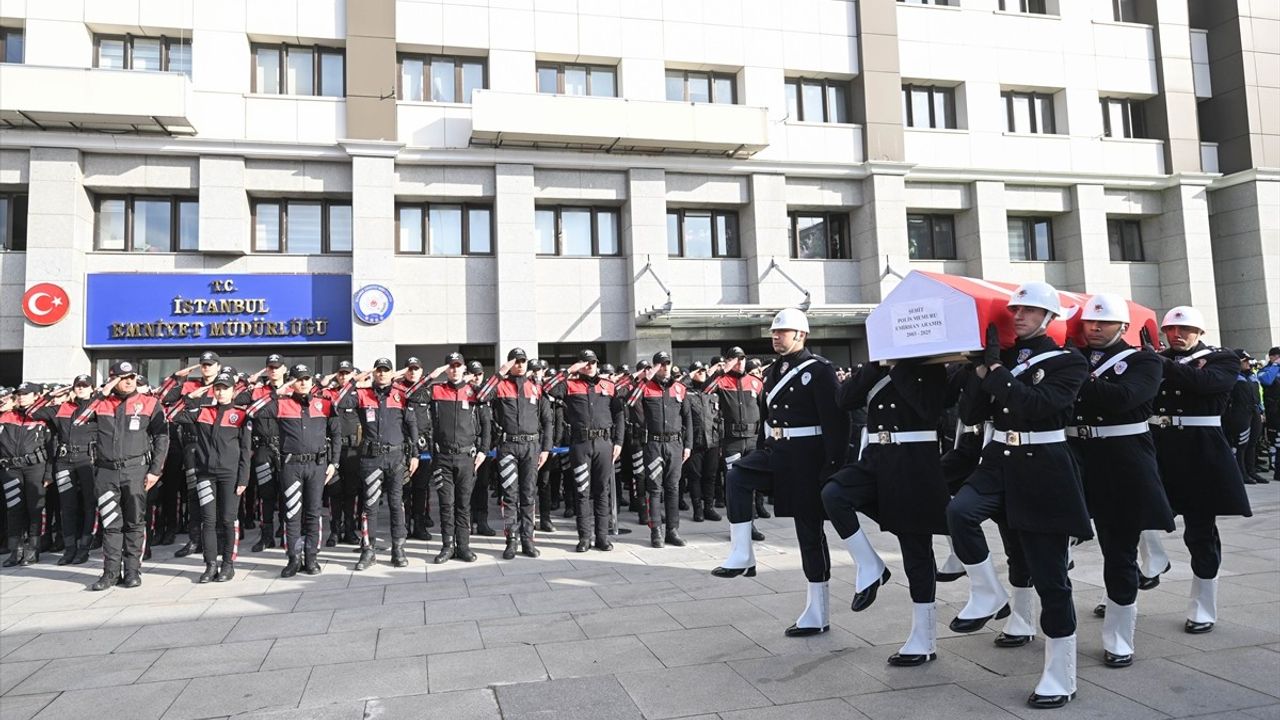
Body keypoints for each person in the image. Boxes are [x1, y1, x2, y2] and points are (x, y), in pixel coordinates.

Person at [945, 281, 1090, 709]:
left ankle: (1060, 674)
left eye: (1028, 310)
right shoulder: (1000, 359)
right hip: (999, 458)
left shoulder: (1069, 362)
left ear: (1049, 318)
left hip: (1044, 464)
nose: (1018, 316)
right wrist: (977, 371)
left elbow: (1035, 406)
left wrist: (996, 372)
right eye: (1015, 310)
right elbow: (970, 415)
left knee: (1050, 577)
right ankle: (987, 592)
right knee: (959, 512)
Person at [712, 308, 849, 640]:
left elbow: (836, 421)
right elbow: (769, 419)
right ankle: (742, 553)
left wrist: (833, 466)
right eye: (774, 332)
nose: (775, 337)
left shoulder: (818, 370)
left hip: (809, 459)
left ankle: (818, 611)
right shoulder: (773, 372)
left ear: (801, 335)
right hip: (779, 453)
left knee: (809, 534)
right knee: (737, 476)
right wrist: (763, 450)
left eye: (782, 332)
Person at [1068, 293, 1175, 668]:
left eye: (1104, 323)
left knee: (1118, 551)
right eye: (1089, 323)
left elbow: (1124, 398)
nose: (1094, 328)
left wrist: (1073, 375)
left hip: (1122, 461)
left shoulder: (1144, 360)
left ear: (1123, 328)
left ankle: (1118, 636)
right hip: (1074, 457)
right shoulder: (1071, 357)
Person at [822, 357, 950, 666]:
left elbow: (930, 411)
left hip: (913, 462)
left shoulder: (930, 368)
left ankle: (924, 637)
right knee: (834, 493)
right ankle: (870, 567)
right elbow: (844, 399)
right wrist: (875, 367)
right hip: (876, 459)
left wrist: (900, 368)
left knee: (916, 550)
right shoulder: (875, 368)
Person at [1150, 306, 1252, 634]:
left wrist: (1160, 362)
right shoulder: (1157, 357)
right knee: (1136, 516)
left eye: (1186, 330)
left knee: (1200, 531)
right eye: (1171, 330)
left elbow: (1206, 383)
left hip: (1200, 449)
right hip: (1159, 445)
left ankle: (1203, 606)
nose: (1177, 335)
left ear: (1200, 333)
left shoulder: (1223, 358)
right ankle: (1146, 566)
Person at [84, 362, 169, 590]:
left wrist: (155, 471)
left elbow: (162, 437)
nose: (129, 381)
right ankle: (110, 574)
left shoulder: (150, 403)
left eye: (132, 376)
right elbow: (77, 421)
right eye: (123, 377)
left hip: (135, 471)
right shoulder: (100, 403)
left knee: (134, 523)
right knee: (111, 524)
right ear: (112, 380)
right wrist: (100, 393)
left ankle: (132, 572)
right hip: (106, 472)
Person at [250, 365, 339, 576]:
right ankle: (293, 559)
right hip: (291, 466)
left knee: (314, 513)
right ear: (292, 382)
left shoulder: (324, 404)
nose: (304, 382)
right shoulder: (281, 404)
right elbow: (251, 412)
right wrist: (275, 393)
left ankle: (311, 559)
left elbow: (336, 434)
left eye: (307, 378)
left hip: (317, 466)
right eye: (299, 379)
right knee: (292, 514)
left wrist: (333, 462)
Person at [338, 358, 419, 569]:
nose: (382, 374)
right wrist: (355, 380)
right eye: (378, 370)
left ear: (392, 373)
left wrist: (415, 455)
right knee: (370, 505)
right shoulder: (363, 394)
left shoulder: (401, 394)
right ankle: (368, 551)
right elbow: (339, 402)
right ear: (374, 373)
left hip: (396, 458)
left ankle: (398, 549)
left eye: (386, 370)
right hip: (371, 460)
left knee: (396, 504)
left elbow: (412, 425)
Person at [171, 372, 251, 583]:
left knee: (227, 520)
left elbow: (246, 450)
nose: (221, 391)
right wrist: (195, 395)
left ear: (233, 390)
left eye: (225, 388)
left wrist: (243, 479)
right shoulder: (202, 412)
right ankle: (210, 565)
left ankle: (228, 564)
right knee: (208, 520)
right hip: (206, 474)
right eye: (217, 388)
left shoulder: (241, 415)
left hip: (230, 475)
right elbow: (173, 413)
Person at [477, 348, 553, 559]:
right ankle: (511, 540)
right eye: (515, 361)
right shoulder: (500, 385)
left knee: (528, 495)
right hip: (508, 447)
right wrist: (500, 373)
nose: (519, 365)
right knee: (510, 497)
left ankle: (528, 541)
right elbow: (481, 396)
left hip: (531, 447)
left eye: (522, 361)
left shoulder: (536, 387)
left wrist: (546, 448)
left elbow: (547, 420)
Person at [545, 350, 624, 553]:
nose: (589, 366)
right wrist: (569, 370)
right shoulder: (570, 385)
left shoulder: (608, 386)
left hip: (604, 444)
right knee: (582, 492)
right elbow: (547, 388)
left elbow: (619, 414)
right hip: (580, 444)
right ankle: (584, 538)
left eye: (593, 362)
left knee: (602, 492)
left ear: (598, 364)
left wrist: (619, 442)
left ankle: (602, 538)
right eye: (585, 363)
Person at [160, 351, 223, 559]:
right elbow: (164, 400)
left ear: (218, 367)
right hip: (192, 446)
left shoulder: (222, 388)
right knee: (194, 494)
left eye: (210, 364)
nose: (206, 368)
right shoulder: (190, 386)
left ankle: (216, 540)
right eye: (203, 365)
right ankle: (195, 540)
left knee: (218, 495)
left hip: (215, 446)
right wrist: (177, 379)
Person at [424, 353, 487, 563]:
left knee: (463, 505)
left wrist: (483, 451)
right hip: (443, 457)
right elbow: (412, 393)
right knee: (446, 504)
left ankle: (464, 547)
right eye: (450, 366)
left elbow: (486, 423)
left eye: (458, 366)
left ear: (463, 369)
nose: (454, 369)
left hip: (466, 458)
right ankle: (447, 546)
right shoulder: (436, 390)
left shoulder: (474, 392)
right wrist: (434, 374)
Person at [627, 351, 694, 548]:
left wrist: (688, 446)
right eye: (660, 364)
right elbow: (630, 402)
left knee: (673, 488)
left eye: (667, 364)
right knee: (654, 489)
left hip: (675, 445)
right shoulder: (645, 387)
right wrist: (644, 379)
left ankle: (672, 530)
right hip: (654, 445)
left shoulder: (680, 388)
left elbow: (688, 419)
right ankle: (656, 530)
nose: (664, 368)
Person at [32, 375, 99, 565]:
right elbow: (32, 411)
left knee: (89, 504)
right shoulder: (62, 407)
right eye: (78, 386)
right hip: (64, 461)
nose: (81, 389)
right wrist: (51, 395)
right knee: (67, 507)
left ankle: (84, 548)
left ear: (91, 389)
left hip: (88, 460)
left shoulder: (96, 406)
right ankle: (69, 549)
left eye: (85, 386)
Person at [236, 354, 290, 553]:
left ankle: (286, 533)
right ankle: (266, 536)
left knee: (287, 492)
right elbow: (237, 400)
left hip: (286, 449)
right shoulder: (257, 390)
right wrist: (246, 384)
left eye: (277, 367)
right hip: (263, 449)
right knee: (266, 494)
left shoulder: (292, 390)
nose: (273, 370)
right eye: (270, 367)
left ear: (284, 369)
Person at [0, 383, 53, 566]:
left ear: (36, 396)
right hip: (11, 469)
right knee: (14, 510)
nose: (22, 397)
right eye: (19, 394)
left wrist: (48, 473)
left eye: (26, 394)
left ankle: (33, 549)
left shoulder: (42, 416)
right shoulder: (6, 415)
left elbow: (51, 446)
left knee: (35, 509)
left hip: (35, 467)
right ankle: (15, 551)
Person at [319, 361, 362, 545]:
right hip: (333, 451)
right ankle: (335, 531)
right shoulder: (330, 394)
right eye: (341, 373)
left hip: (353, 450)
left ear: (352, 374)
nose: (343, 376)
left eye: (347, 373)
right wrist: (328, 380)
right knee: (334, 492)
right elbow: (316, 388)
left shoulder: (359, 394)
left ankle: (350, 530)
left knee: (351, 492)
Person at [398, 357, 435, 541]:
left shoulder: (428, 392)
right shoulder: (397, 390)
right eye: (409, 368)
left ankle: (419, 525)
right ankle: (404, 526)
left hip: (423, 446)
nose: (412, 372)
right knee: (404, 489)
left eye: (416, 369)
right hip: (402, 446)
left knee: (421, 488)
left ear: (421, 371)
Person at [684, 361, 721, 524]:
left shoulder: (712, 392)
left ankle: (709, 507)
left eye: (704, 371)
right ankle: (697, 509)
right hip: (695, 441)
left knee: (710, 476)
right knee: (695, 477)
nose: (702, 373)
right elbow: (677, 385)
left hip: (712, 441)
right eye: (698, 371)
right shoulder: (686, 392)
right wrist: (688, 376)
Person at [1225, 350, 1267, 484]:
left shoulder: (1251, 376)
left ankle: (1251, 471)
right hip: (1240, 412)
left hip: (1254, 411)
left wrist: (1261, 411)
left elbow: (1258, 395)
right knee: (1241, 443)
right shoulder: (1232, 376)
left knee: (1253, 443)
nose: (1249, 363)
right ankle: (1241, 473)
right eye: (1245, 361)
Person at [1261, 347, 1280, 482]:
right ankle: (1276, 469)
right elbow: (1267, 380)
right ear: (1272, 357)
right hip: (1273, 411)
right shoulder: (1265, 370)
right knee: (1276, 441)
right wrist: (1275, 365)